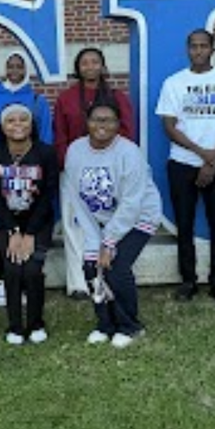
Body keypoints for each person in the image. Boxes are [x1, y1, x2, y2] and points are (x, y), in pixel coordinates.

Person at [156, 29, 215, 304]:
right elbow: (169, 127)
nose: (198, 51)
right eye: (193, 46)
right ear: (187, 49)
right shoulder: (174, 83)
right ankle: (188, 281)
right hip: (183, 163)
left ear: (212, 49)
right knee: (184, 224)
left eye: (203, 46)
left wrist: (214, 157)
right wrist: (202, 154)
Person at [64, 102, 162, 348]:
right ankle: (105, 324)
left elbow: (132, 202)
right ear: (87, 122)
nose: (102, 125)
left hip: (139, 217)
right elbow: (77, 199)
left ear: (118, 125)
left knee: (116, 267)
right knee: (90, 267)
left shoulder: (129, 153)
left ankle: (130, 326)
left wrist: (109, 242)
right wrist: (94, 239)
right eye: (97, 119)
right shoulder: (75, 150)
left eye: (109, 120)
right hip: (100, 220)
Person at [0, 50, 53, 309]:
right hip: (1, 175)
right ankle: (3, 284)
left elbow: (46, 137)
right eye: (11, 65)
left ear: (26, 69)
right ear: (5, 68)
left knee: (32, 228)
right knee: (3, 231)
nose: (15, 70)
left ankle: (29, 283)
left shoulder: (37, 99)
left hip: (31, 178)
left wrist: (43, 168)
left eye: (20, 65)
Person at [54, 46, 134, 299]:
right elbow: (60, 135)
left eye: (95, 62)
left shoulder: (116, 96)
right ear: (78, 68)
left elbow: (128, 131)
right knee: (75, 224)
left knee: (110, 222)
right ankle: (78, 283)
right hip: (75, 170)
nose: (90, 67)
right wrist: (66, 164)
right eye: (84, 63)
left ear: (102, 66)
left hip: (110, 169)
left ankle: (109, 276)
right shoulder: (65, 98)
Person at [0, 103, 58, 346]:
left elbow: (48, 194)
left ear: (32, 124)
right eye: (10, 121)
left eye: (23, 119)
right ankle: (15, 326)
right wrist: (14, 230)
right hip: (7, 220)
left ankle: (36, 323)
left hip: (39, 220)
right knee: (13, 271)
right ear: (2, 127)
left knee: (33, 271)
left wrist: (30, 233)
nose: (17, 125)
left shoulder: (45, 153)